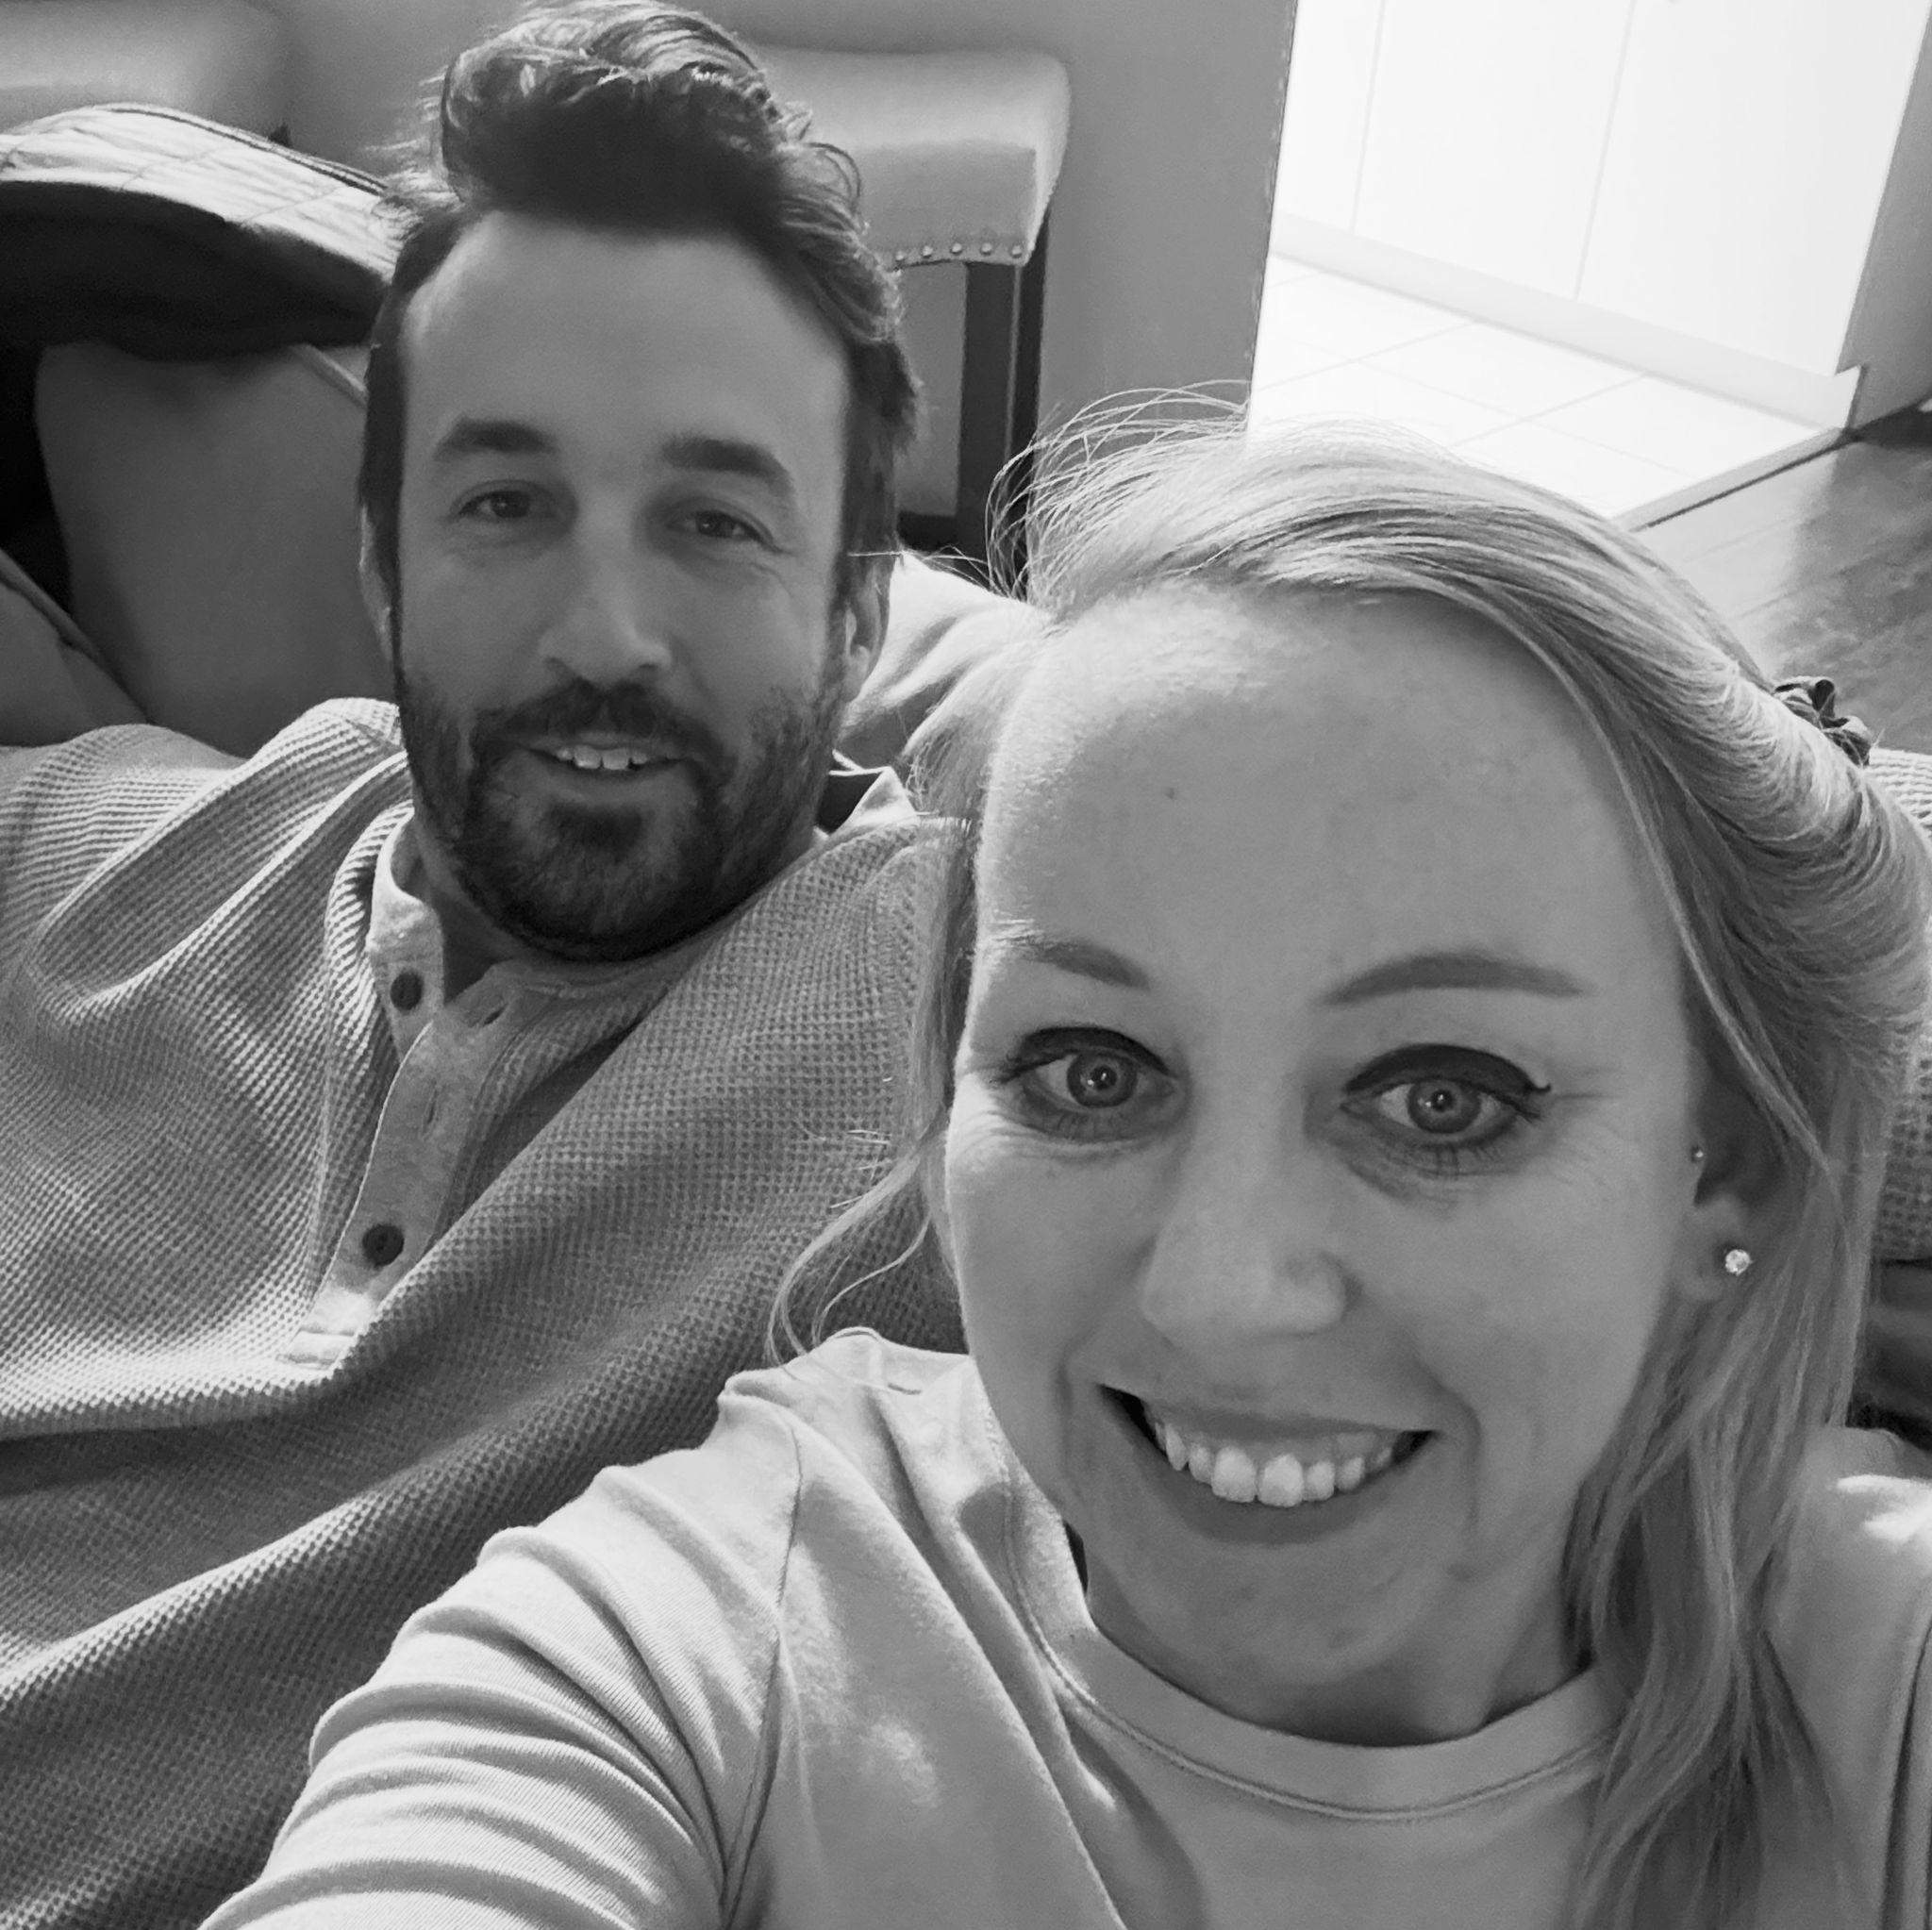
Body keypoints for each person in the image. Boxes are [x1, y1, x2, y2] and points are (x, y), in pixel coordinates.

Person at [206, 421, 1932, 1930]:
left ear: (1732, 1174)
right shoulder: (708, 1635)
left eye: (1443, 1100)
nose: (1217, 1295)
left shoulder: (1885, 1690)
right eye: (1093, 1072)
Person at [0, 8, 1027, 1924]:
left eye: (713, 521)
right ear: (382, 565)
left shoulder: (984, 1031)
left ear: (859, 609)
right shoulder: (127, 849)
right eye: (506, 505)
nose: (602, 631)